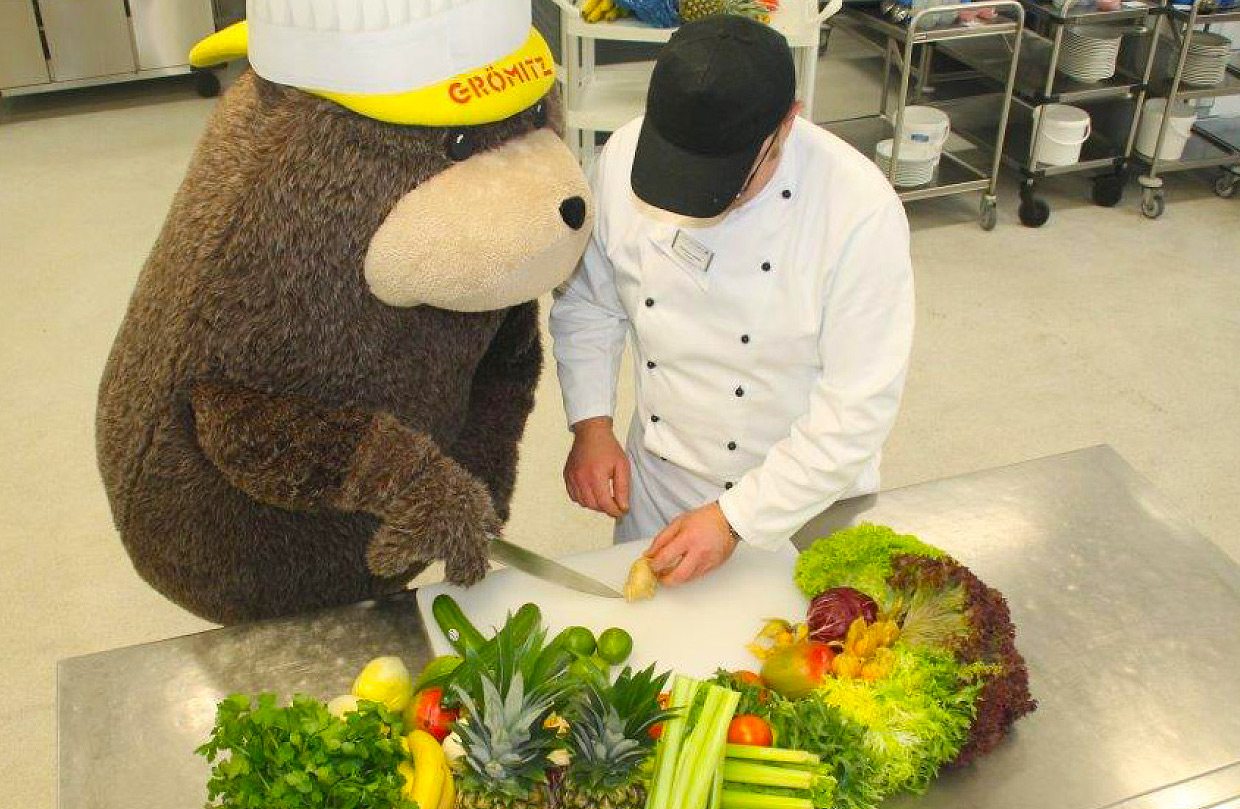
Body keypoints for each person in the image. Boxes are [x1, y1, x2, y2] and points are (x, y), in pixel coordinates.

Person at [549, 15, 914, 586]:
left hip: (802, 500)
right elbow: (591, 303)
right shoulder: (620, 157)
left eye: (728, 181)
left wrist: (736, 518)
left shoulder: (858, 212)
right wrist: (591, 425)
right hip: (661, 485)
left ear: (788, 122)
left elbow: (856, 408)